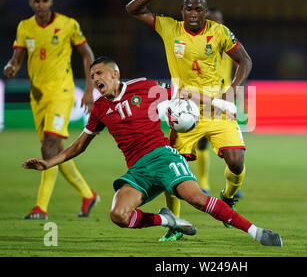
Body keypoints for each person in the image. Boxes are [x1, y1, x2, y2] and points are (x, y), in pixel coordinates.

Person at [21, 57, 282, 247]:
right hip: (138, 171)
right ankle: (167, 220)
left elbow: (186, 92)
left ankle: (256, 232)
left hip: (163, 155)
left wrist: (218, 103)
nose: (95, 79)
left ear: (115, 74)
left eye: (99, 73)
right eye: (91, 77)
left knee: (197, 200)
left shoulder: (143, 87)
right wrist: (48, 163)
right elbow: (80, 144)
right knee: (118, 215)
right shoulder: (100, 110)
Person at [126, 0, 253, 240]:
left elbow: (244, 60)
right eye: (189, 9)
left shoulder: (218, 32)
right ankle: (175, 225)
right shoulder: (169, 28)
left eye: (198, 9)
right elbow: (132, 10)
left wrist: (232, 90)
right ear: (182, 10)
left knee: (236, 161)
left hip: (216, 108)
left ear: (205, 11)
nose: (193, 14)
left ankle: (228, 198)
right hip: (183, 110)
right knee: (174, 167)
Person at [3, 0, 99, 219]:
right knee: (54, 151)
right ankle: (88, 195)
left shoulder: (68, 24)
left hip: (62, 92)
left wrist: (89, 89)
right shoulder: (25, 27)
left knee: (47, 147)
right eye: (37, 1)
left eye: (45, 0)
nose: (41, 4)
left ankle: (41, 208)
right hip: (37, 96)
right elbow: (17, 58)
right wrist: (11, 67)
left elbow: (88, 54)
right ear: (31, 3)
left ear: (51, 1)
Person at [195, 7, 242, 198]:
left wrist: (234, 89)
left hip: (226, 97)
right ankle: (203, 183)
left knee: (231, 144)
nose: (215, 24)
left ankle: (232, 183)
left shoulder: (228, 44)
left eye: (218, 21)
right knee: (203, 142)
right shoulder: (201, 44)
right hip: (205, 96)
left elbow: (241, 64)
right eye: (211, 20)